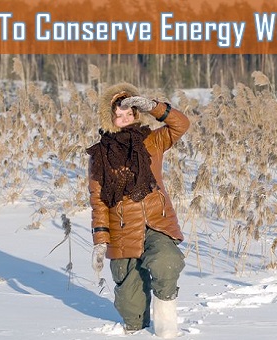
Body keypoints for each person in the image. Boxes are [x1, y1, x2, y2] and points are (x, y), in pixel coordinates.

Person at [86, 82, 190, 338]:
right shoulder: (99, 155)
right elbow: (98, 201)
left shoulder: (152, 142)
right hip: (122, 231)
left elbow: (181, 125)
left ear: (135, 114)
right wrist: (100, 242)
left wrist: (153, 107)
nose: (123, 119)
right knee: (131, 313)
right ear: (108, 118)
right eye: (118, 115)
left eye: (128, 113)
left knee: (167, 262)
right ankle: (137, 324)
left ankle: (167, 329)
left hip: (156, 222)